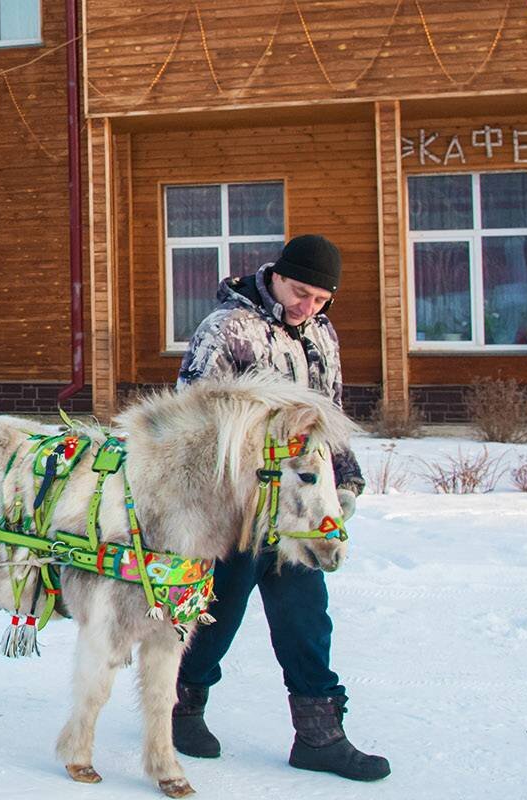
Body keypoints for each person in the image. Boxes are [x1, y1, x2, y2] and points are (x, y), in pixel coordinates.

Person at [171, 233, 390, 782]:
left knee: (306, 617)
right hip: (238, 507)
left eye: (320, 299)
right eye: (300, 292)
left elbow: (330, 418)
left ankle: (319, 735)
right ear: (276, 275)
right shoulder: (226, 330)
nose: (307, 307)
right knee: (218, 614)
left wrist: (343, 483)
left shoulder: (320, 334)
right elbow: (190, 424)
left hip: (296, 509)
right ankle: (182, 706)